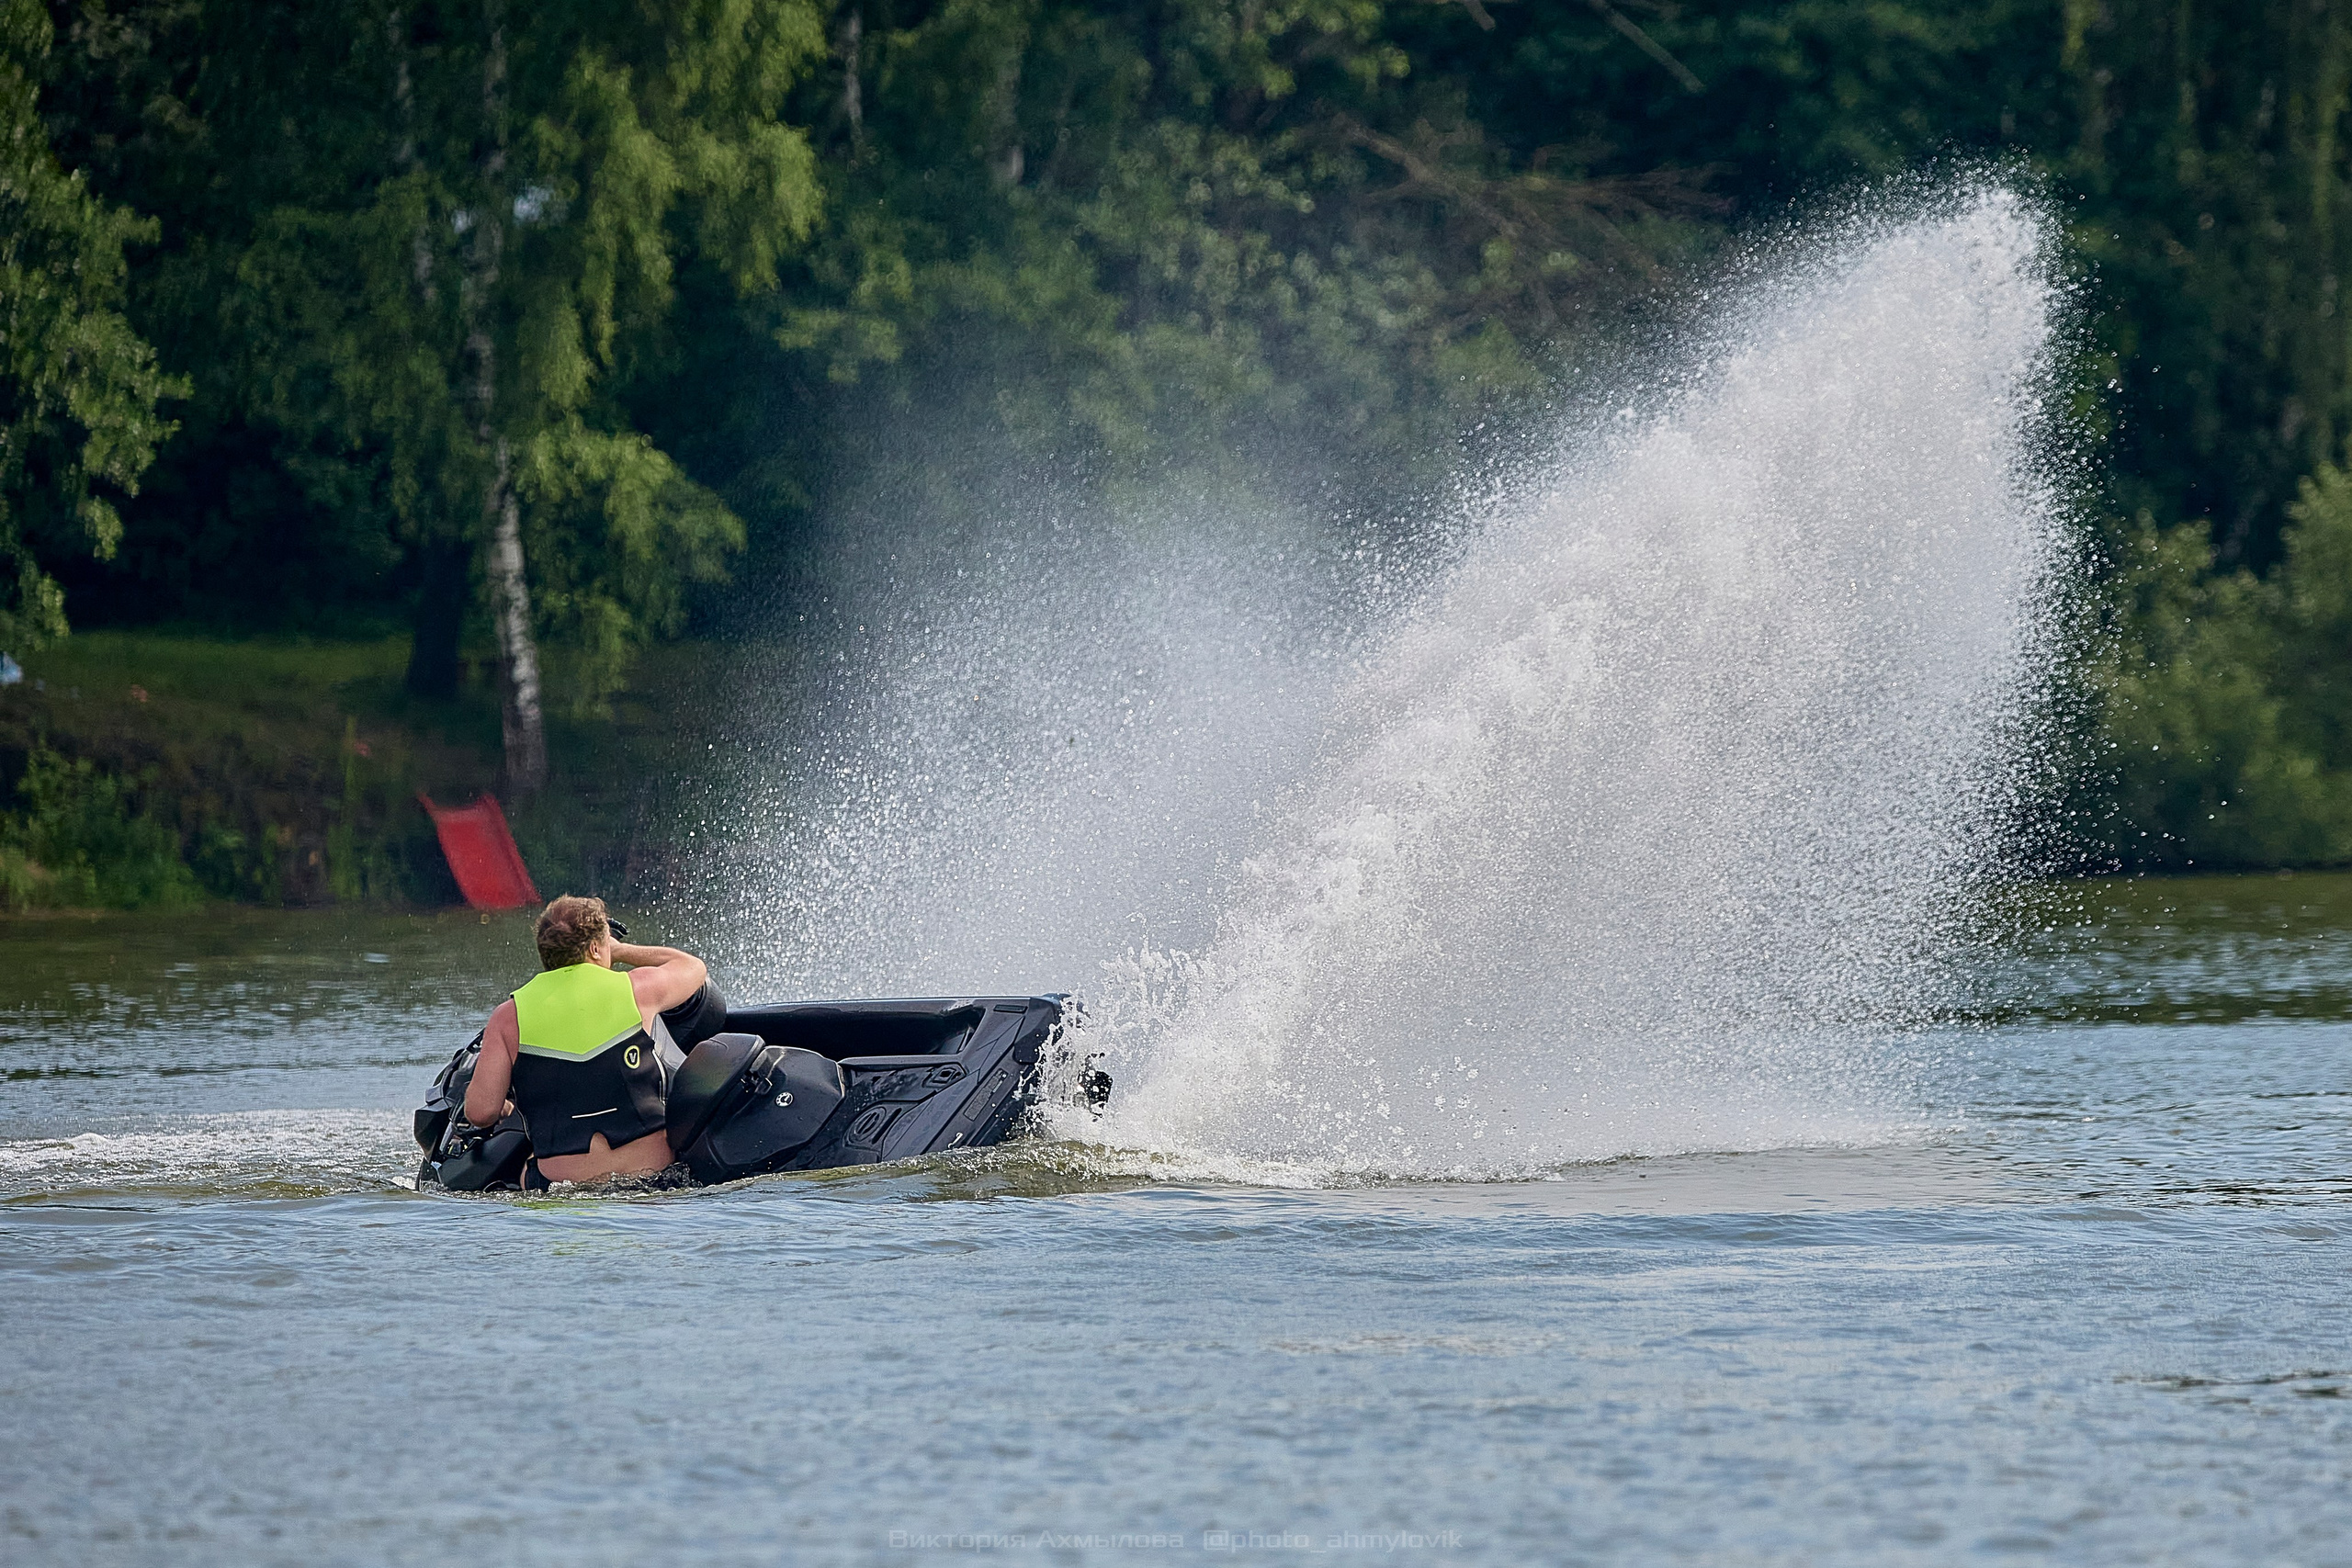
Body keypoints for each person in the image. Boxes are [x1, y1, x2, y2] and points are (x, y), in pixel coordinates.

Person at [464, 895, 709, 1184]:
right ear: (595, 948)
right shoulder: (635, 989)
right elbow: (692, 967)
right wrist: (620, 950)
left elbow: (480, 1113)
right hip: (654, 1181)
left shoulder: (508, 1017)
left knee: (519, 1170)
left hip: (561, 1192)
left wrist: (507, 1107)